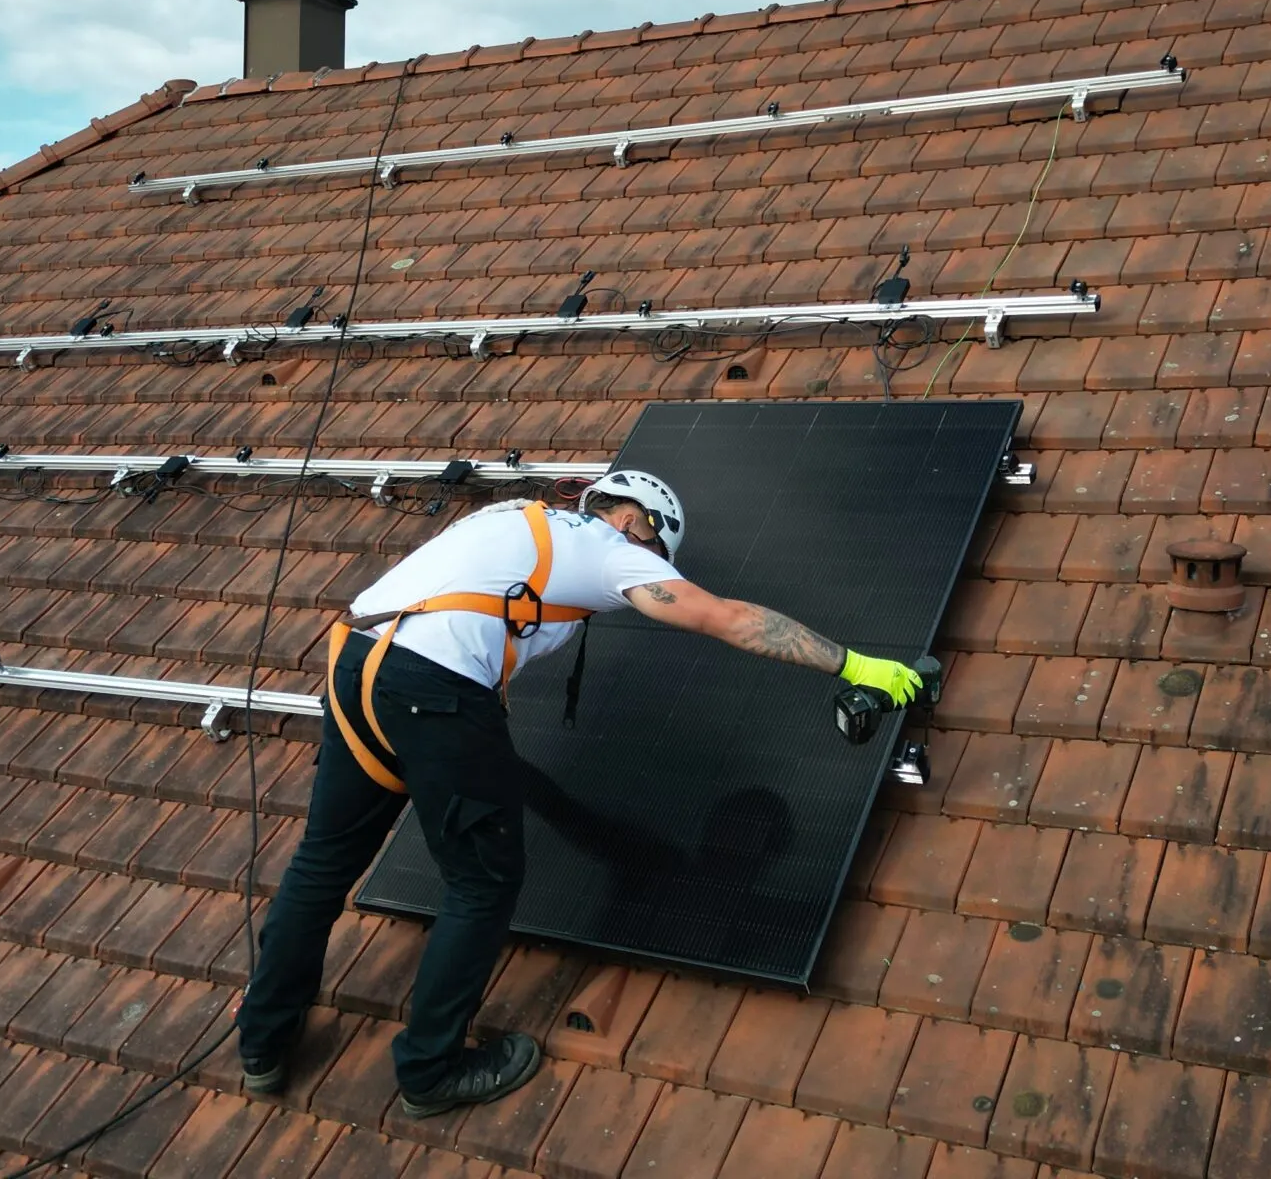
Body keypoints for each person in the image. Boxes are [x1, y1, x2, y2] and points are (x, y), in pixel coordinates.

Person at [233, 470, 923, 1117]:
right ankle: (429, 1071)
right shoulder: (609, 548)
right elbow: (728, 618)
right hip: (430, 689)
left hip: (356, 661)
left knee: (323, 861)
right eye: (655, 547)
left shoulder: (509, 518)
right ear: (633, 519)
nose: (651, 566)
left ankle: (262, 1044)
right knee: (482, 884)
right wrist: (857, 665)